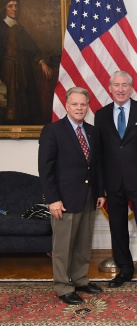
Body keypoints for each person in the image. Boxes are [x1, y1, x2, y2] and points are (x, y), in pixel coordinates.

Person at [94, 71, 137, 294]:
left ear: (131, 89)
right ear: (110, 88)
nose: (120, 89)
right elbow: (100, 153)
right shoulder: (100, 115)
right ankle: (125, 270)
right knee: (117, 227)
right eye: (116, 85)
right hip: (113, 182)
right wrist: (100, 185)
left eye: (124, 85)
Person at [38, 87, 105, 305]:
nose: (79, 108)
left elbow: (96, 166)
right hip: (63, 199)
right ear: (66, 106)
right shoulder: (53, 130)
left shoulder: (93, 132)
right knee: (63, 246)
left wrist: (100, 191)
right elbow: (45, 169)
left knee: (83, 243)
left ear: (88, 106)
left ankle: (80, 279)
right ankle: (63, 286)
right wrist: (52, 199)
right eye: (75, 104)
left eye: (83, 104)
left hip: (88, 196)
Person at [0, 0, 52, 124]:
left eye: (16, 6)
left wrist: (42, 62)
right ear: (4, 8)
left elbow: (31, 47)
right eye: (10, 6)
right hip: (6, 69)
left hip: (22, 69)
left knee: (23, 101)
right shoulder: (1, 26)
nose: (14, 9)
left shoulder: (20, 28)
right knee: (8, 101)